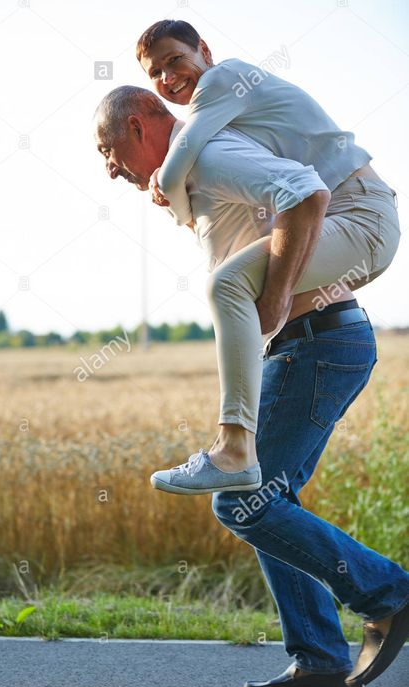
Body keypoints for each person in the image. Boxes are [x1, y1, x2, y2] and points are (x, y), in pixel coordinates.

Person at [94, 86, 409, 687]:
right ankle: (319, 658)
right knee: (266, 499)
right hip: (305, 345)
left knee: (243, 501)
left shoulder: (212, 154)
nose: (109, 168)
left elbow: (304, 194)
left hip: (316, 342)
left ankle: (388, 593)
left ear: (137, 127)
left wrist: (273, 301)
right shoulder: (196, 169)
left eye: (107, 150)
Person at [132, 20, 400, 495]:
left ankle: (233, 450)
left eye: (176, 60)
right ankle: (241, 447)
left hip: (360, 214)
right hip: (348, 218)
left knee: (228, 284)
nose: (169, 78)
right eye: (156, 73)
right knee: (267, 499)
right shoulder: (219, 116)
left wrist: (164, 187)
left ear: (204, 50)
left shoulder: (223, 80)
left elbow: (185, 151)